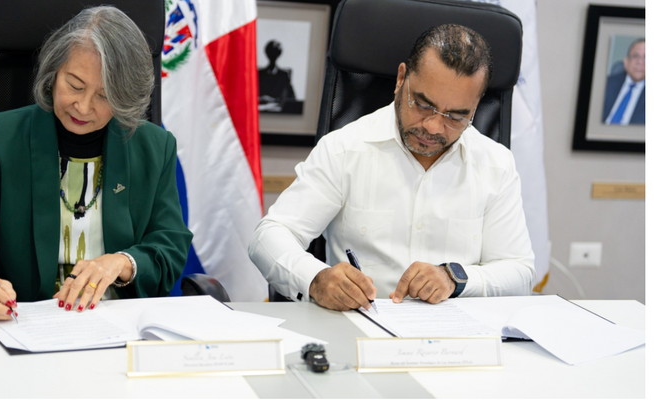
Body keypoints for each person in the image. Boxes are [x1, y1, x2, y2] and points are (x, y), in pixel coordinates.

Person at [249, 24, 535, 311]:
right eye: (423, 105)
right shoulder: (344, 149)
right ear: (401, 80)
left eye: (455, 117)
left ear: (475, 107)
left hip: (457, 331)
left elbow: (520, 272)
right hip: (358, 325)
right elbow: (269, 236)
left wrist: (455, 278)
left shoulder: (496, 164)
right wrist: (316, 279)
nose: (433, 127)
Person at [0, 6, 192, 320]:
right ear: (54, 72)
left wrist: (122, 262)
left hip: (118, 325)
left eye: (104, 95)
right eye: (75, 85)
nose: (83, 106)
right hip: (20, 324)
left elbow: (170, 247)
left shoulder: (155, 147)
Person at [603, 38, 645, 125]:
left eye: (646, 58)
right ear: (626, 62)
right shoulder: (606, 84)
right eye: (636, 56)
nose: (640, 62)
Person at [258, 40, 297, 113]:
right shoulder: (259, 74)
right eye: (271, 52)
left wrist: (275, 100)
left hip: (278, 111)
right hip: (262, 110)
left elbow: (291, 99)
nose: (272, 55)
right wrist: (262, 98)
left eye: (275, 53)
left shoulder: (284, 75)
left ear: (278, 54)